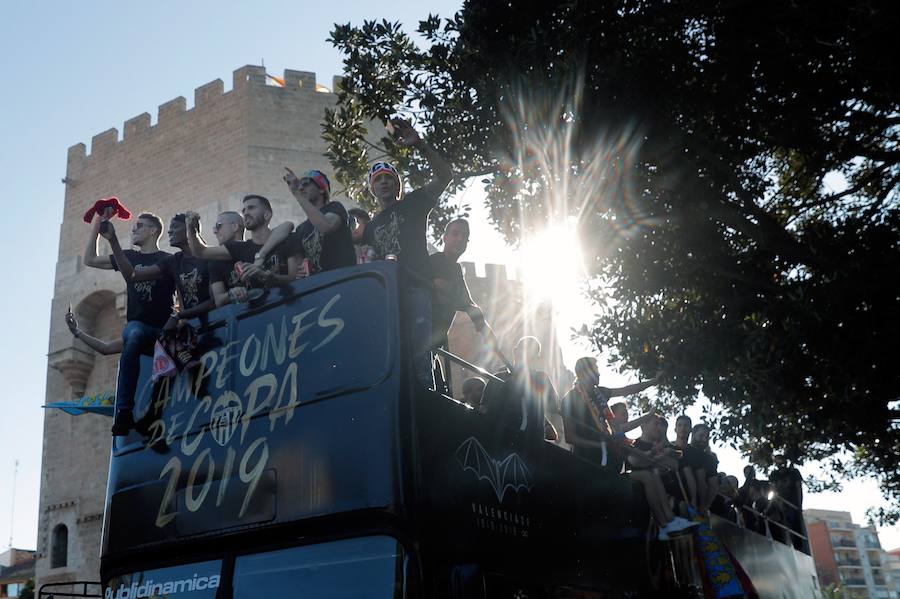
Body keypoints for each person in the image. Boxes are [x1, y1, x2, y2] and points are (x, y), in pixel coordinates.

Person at [361, 118, 453, 388]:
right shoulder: (371, 227)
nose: (384, 183)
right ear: (372, 188)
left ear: (397, 185)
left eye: (390, 178)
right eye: (378, 180)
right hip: (387, 297)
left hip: (416, 290)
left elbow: (446, 176)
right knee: (393, 358)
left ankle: (428, 402)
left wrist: (421, 145)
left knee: (420, 356)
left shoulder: (413, 204)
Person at [83, 211, 175, 435]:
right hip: (138, 327)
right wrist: (99, 223)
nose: (133, 229)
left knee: (139, 338)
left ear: (153, 231)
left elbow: (134, 277)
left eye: (139, 225)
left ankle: (152, 416)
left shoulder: (167, 260)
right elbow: (90, 260)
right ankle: (124, 412)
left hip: (163, 330)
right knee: (132, 334)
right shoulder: (129, 257)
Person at [103, 214, 215, 329]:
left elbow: (214, 300)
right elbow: (133, 276)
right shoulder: (173, 261)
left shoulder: (210, 257)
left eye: (175, 227)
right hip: (192, 328)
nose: (169, 232)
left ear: (189, 230)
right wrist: (113, 240)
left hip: (217, 324)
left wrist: (178, 316)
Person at [185, 195, 298, 296]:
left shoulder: (287, 240)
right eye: (244, 210)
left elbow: (295, 278)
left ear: (267, 214)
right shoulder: (240, 248)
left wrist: (268, 276)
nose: (246, 212)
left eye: (251, 208)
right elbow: (200, 252)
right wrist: (191, 229)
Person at [560, 356, 659, 470]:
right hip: (586, 462)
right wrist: (601, 446)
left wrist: (653, 382)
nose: (599, 374)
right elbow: (570, 437)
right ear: (584, 372)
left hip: (611, 461)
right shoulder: (569, 399)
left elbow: (627, 390)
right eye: (595, 370)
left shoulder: (600, 392)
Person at [255, 168, 355, 276]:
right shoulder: (302, 229)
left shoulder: (335, 207)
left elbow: (326, 226)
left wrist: (297, 194)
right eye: (299, 185)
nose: (301, 187)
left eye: (306, 183)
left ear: (322, 189)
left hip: (344, 280)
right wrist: (261, 255)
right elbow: (285, 228)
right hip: (320, 286)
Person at [628, 415, 700, 540]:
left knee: (654, 473)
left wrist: (661, 455)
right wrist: (655, 457)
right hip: (639, 489)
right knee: (652, 474)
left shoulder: (663, 447)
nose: (659, 428)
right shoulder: (635, 443)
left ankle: (669, 520)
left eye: (660, 425)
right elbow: (634, 461)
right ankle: (666, 521)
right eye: (656, 424)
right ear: (643, 426)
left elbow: (676, 463)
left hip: (665, 494)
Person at [484, 337, 558, 442]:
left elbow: (554, 405)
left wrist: (532, 387)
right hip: (500, 438)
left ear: (537, 357)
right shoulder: (498, 378)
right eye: (524, 350)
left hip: (532, 441)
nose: (526, 355)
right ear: (515, 351)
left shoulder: (541, 379)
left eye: (531, 353)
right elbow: (484, 408)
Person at [207, 211, 247, 307]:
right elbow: (218, 300)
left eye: (218, 226)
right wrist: (231, 293)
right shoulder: (215, 262)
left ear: (235, 227)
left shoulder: (254, 249)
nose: (215, 231)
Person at [770, 454, 806, 550]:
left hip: (793, 504)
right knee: (782, 526)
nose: (779, 463)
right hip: (780, 504)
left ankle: (799, 548)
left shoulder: (793, 472)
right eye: (777, 461)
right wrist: (775, 504)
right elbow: (773, 490)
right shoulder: (774, 474)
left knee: (795, 526)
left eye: (781, 461)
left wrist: (799, 504)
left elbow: (799, 488)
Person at [688, 423, 720, 514]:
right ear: (693, 435)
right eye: (701, 436)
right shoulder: (685, 449)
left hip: (703, 502)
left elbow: (714, 481)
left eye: (707, 437)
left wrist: (706, 506)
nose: (704, 439)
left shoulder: (710, 458)